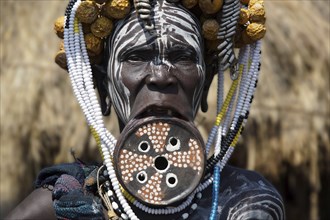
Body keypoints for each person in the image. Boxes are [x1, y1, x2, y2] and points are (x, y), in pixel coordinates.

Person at [6, 0, 285, 219]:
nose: (161, 76)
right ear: (103, 87)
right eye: (136, 57)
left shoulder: (245, 203)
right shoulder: (59, 207)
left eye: (183, 57)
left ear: (207, 80)